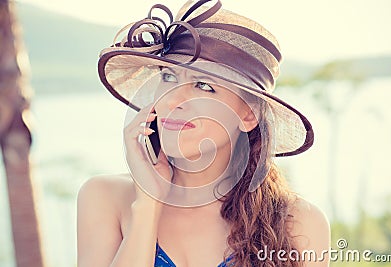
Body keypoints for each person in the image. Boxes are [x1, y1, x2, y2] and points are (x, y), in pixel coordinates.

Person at [77, 1, 330, 266]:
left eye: (203, 85)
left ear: (247, 115)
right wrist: (147, 205)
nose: (172, 101)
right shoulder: (105, 197)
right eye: (169, 77)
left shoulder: (299, 224)